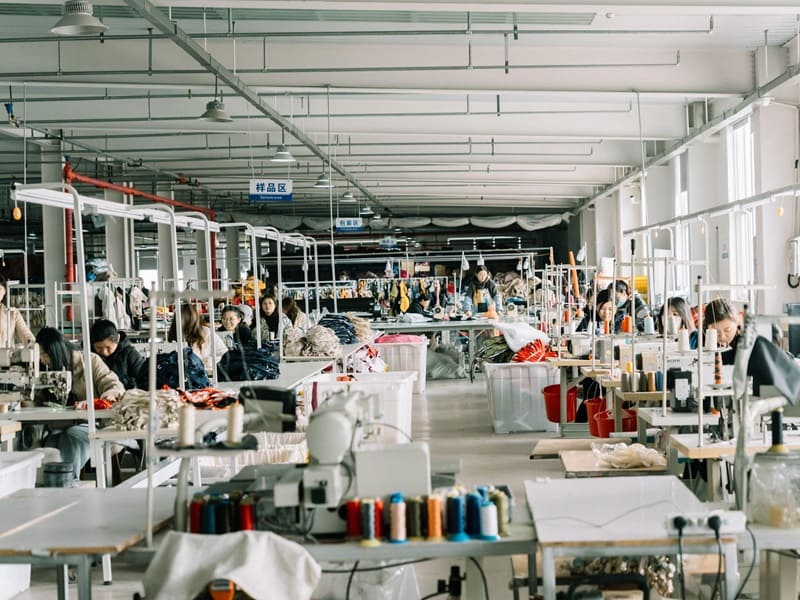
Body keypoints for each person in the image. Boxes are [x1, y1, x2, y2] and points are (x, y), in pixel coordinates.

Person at [36, 327, 125, 478]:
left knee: (70, 438)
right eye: (41, 355)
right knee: (51, 444)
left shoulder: (89, 362)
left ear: (56, 352)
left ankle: (68, 483)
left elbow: (113, 385)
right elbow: (37, 400)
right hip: (59, 426)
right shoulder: (42, 368)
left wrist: (107, 397)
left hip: (94, 424)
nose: (42, 359)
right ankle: (54, 486)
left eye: (45, 355)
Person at [168, 303, 227, 374]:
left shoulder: (206, 332)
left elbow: (224, 354)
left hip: (204, 374)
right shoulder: (176, 335)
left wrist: (208, 362)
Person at [90, 319, 146, 389]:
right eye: (99, 348)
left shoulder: (129, 353)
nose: (104, 352)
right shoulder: (90, 356)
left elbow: (144, 377)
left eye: (108, 347)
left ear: (118, 338)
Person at [704, 298, 741, 364]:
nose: (722, 337)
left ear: (737, 323)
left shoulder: (744, 343)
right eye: (716, 332)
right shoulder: (703, 339)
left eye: (727, 330)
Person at [0, 275, 34, 347]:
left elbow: (24, 332)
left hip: (5, 356)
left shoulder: (12, 313)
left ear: (5, 291)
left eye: (0, 289)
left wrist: (32, 343)